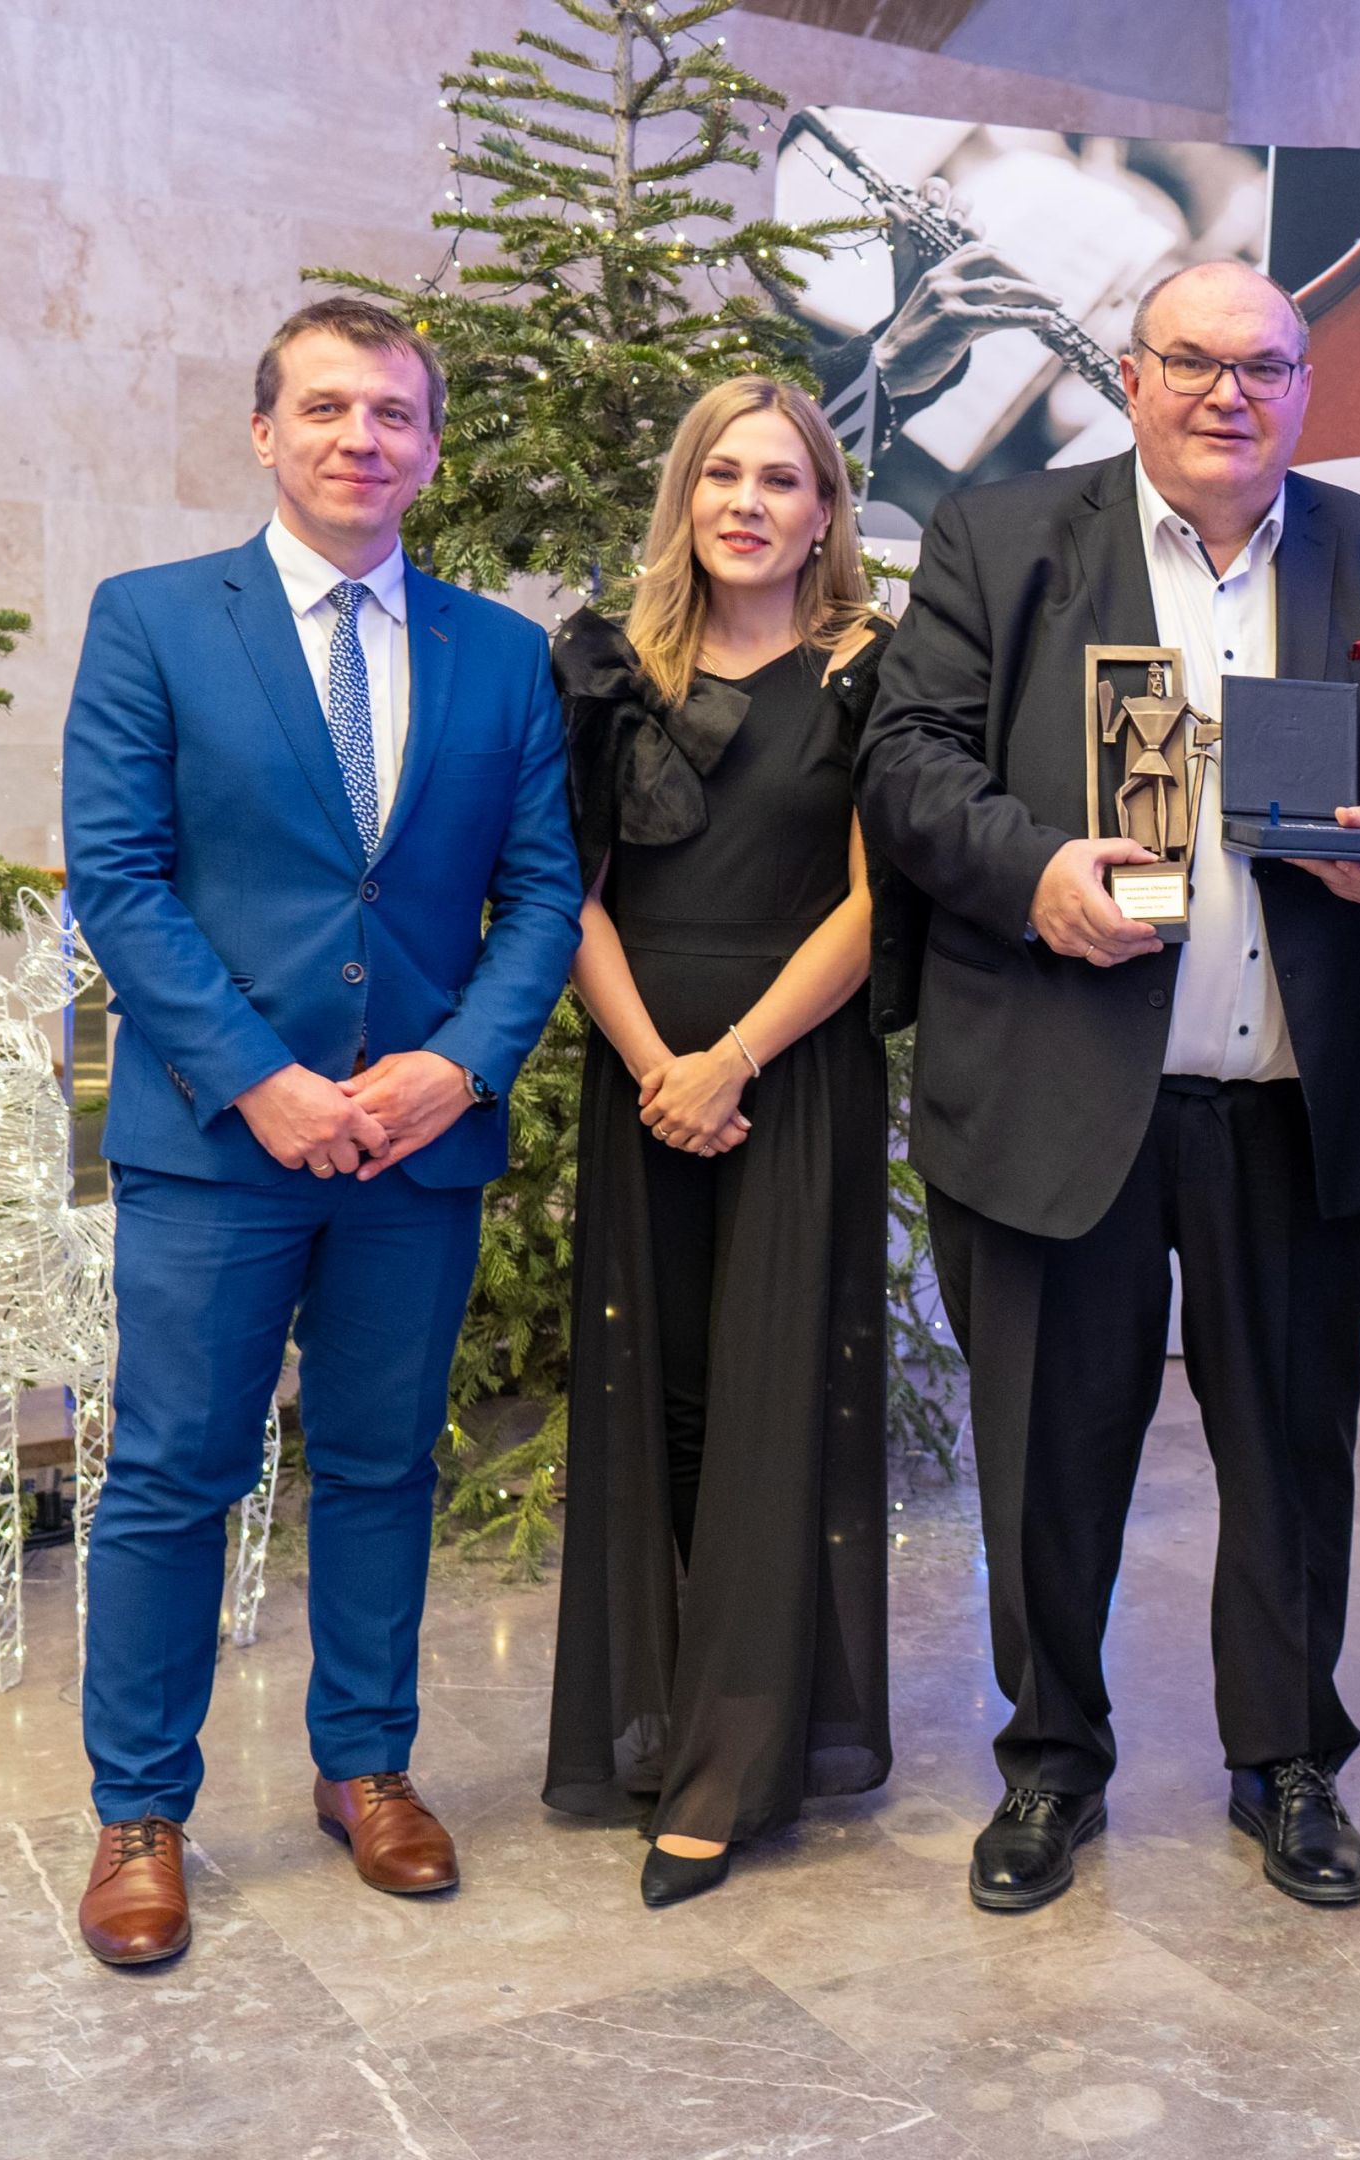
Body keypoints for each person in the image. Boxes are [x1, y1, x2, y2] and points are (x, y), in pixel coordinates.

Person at [859, 260, 1360, 1914]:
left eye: (1264, 367)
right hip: (1060, 1087)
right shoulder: (1005, 538)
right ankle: (1052, 1761)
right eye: (1193, 361)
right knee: (1049, 1452)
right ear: (1130, 377)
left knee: (1293, 1453)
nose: (1229, 394)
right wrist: (1032, 873)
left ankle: (1287, 1763)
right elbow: (907, 760)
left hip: (1293, 1096)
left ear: (1303, 389)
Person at [61, 298, 583, 1966]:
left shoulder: (501, 653)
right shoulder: (153, 621)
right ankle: (140, 1812)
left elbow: (545, 896)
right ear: (266, 431)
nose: (364, 438)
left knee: (379, 1466)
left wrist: (461, 1067)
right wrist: (260, 1079)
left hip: (415, 1152)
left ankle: (365, 1766)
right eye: (329, 407)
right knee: (171, 1475)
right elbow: (119, 880)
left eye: (396, 414)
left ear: (430, 448)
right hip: (219, 1146)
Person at [541, 378, 896, 1908]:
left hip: (793, 1071)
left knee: (771, 1403)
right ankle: (659, 1719)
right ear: (684, 498)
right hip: (644, 1076)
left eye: (782, 479)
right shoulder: (607, 669)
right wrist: (656, 1069)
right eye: (721, 476)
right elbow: (568, 895)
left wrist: (733, 1059)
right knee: (660, 1396)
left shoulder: (873, 671)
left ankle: (732, 1764)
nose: (748, 503)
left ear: (825, 513)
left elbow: (879, 904)